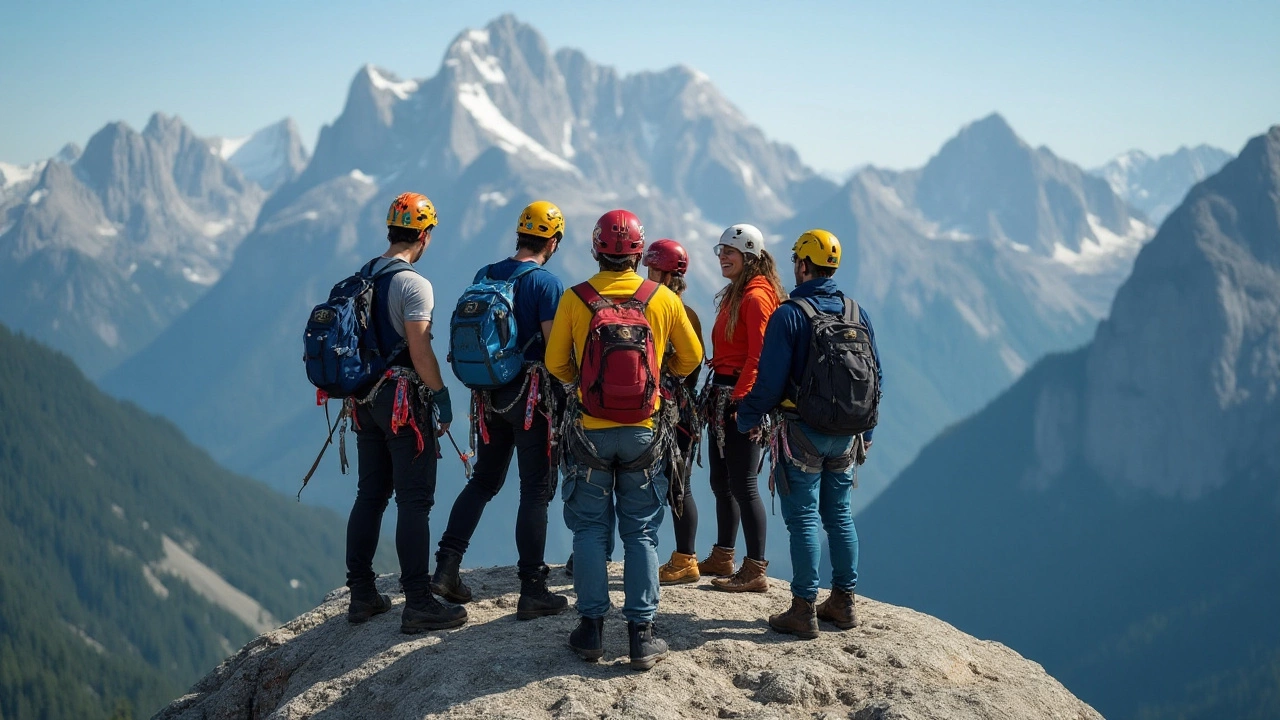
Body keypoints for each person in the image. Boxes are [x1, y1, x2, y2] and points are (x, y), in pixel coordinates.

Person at [546, 209, 702, 670]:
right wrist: (656, 378)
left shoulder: (576, 298)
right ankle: (641, 634)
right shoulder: (662, 298)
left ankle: (591, 629)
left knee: (590, 529)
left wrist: (582, 385)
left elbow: (556, 363)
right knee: (642, 531)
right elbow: (691, 358)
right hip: (645, 430)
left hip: (590, 431)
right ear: (639, 253)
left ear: (596, 250)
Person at [736, 229, 883, 639]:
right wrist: (866, 429)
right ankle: (843, 601)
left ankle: (803, 609)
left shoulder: (791, 313)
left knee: (802, 518)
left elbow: (769, 381)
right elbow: (876, 375)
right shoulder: (856, 312)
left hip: (801, 431)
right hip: (848, 433)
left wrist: (747, 417)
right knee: (839, 515)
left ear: (803, 264)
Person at [430, 201, 569, 620]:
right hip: (532, 399)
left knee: (484, 482)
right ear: (554, 241)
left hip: (489, 396)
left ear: (520, 235)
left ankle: (447, 567)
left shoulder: (484, 274)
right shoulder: (546, 284)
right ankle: (533, 588)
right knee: (536, 491)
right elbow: (555, 351)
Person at [345, 192, 467, 633]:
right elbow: (419, 348)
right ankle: (417, 601)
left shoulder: (363, 276)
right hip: (402, 403)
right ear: (424, 235)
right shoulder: (413, 284)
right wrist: (440, 395)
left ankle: (361, 594)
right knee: (414, 501)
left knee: (370, 495)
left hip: (362, 402)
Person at [699, 224, 786, 592]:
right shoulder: (741, 292)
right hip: (725, 393)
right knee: (722, 480)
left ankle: (755, 568)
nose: (722, 257)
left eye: (728, 252)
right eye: (719, 250)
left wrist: (743, 403)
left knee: (744, 483)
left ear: (749, 256)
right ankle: (724, 554)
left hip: (739, 397)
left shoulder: (754, 297)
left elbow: (759, 354)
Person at [643, 239, 707, 585]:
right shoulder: (689, 314)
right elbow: (693, 366)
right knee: (679, 483)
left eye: (650, 269)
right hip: (682, 408)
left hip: (651, 406)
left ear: (660, 271)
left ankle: (673, 557)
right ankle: (686, 556)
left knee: (635, 478)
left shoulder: (649, 308)